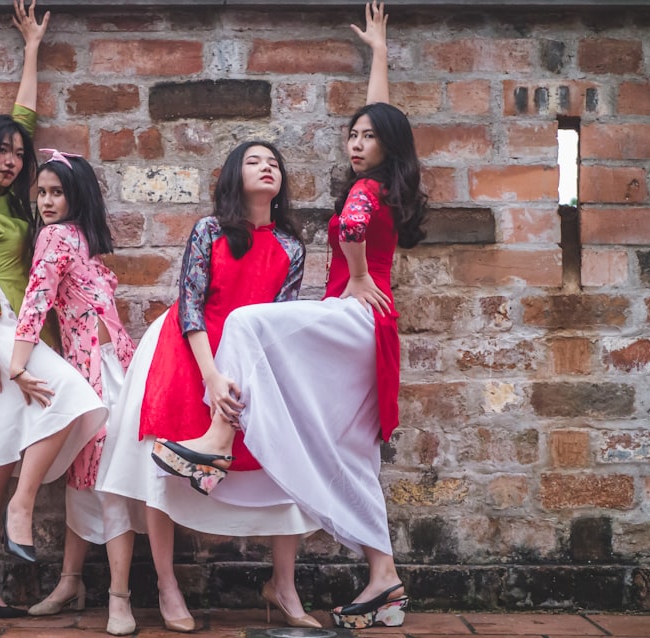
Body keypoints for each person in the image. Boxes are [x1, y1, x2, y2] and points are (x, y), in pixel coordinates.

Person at [159, 2, 429, 630]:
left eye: (365, 137)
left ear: (385, 146)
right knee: (355, 454)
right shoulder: (392, 180)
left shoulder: (367, 191)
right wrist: (380, 58)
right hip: (375, 336)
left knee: (251, 324)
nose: (355, 142)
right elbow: (385, 123)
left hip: (354, 316)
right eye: (351, 135)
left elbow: (355, 222)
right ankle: (383, 577)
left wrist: (356, 275)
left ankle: (218, 442)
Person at [97, 139, 324, 633]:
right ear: (231, 175)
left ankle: (283, 584)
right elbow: (191, 303)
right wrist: (211, 376)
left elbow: (279, 322)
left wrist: (246, 377)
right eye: (254, 161)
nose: (267, 168)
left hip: (250, 361)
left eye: (274, 163)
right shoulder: (208, 230)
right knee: (160, 466)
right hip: (189, 349)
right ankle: (165, 583)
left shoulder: (291, 247)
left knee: (283, 467)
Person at [0, 0, 107, 620]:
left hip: (22, 332)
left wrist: (32, 47)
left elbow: (25, 118)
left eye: (16, 152)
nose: (11, 159)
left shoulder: (27, 204)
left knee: (13, 448)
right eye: (1, 152)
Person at [7, 150, 146, 636]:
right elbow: (36, 298)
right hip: (97, 370)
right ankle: (70, 583)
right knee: (86, 477)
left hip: (108, 371)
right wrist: (19, 363)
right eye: (41, 192)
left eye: (57, 192)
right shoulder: (61, 236)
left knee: (106, 480)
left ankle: (119, 597)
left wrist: (18, 363)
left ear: (77, 195)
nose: (46, 201)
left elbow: (37, 298)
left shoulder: (74, 237)